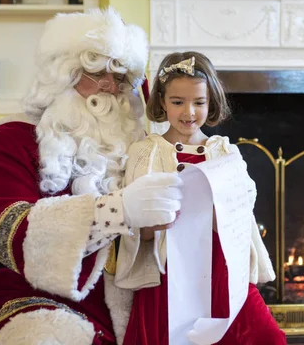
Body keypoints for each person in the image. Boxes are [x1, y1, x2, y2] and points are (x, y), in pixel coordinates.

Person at [0, 7, 182, 345]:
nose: (110, 86)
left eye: (122, 76)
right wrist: (118, 211)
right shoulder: (8, 142)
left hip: (130, 303)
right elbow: (8, 233)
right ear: (62, 73)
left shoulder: (142, 149)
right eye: (96, 71)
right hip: (37, 304)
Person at [114, 51, 287, 344]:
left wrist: (221, 209)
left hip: (220, 270)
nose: (188, 112)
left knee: (266, 337)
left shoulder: (225, 151)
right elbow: (131, 220)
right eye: (177, 102)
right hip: (168, 277)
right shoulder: (144, 152)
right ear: (161, 102)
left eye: (199, 102)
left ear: (211, 102)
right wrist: (148, 228)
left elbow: (243, 205)